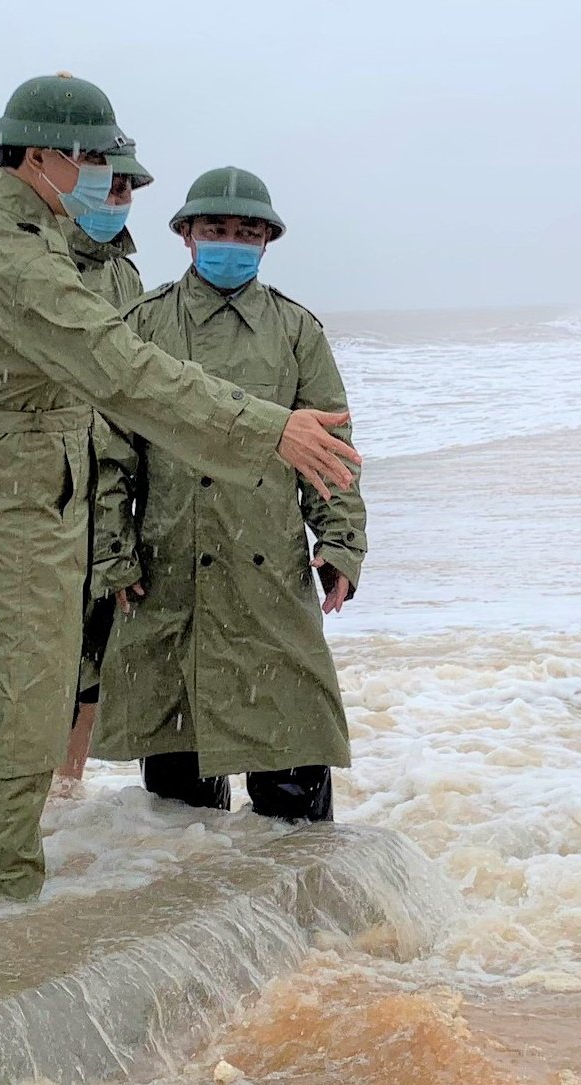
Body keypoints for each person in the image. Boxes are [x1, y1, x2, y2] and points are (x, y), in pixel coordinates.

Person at [0, 74, 361, 902]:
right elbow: (127, 380)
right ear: (39, 153)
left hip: (11, 505)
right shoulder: (8, 250)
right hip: (16, 514)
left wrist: (339, 538)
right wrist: (267, 430)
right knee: (14, 737)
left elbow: (333, 452)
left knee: (10, 730)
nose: (99, 177)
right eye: (87, 159)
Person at [94, 167, 365, 822]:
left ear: (268, 241)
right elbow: (111, 454)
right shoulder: (142, 325)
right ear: (186, 234)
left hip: (268, 583)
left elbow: (334, 450)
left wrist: (341, 543)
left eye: (247, 232)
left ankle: (308, 924)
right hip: (167, 581)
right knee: (178, 819)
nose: (230, 242)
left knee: (295, 808)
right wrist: (113, 553)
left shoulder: (296, 331)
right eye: (215, 229)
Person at [53, 148, 154, 792]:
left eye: (125, 188)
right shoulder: (40, 260)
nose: (114, 199)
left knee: (100, 637)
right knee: (47, 644)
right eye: (105, 184)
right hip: (49, 484)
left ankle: (69, 786)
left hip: (112, 483)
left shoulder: (127, 275)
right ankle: (31, 790)